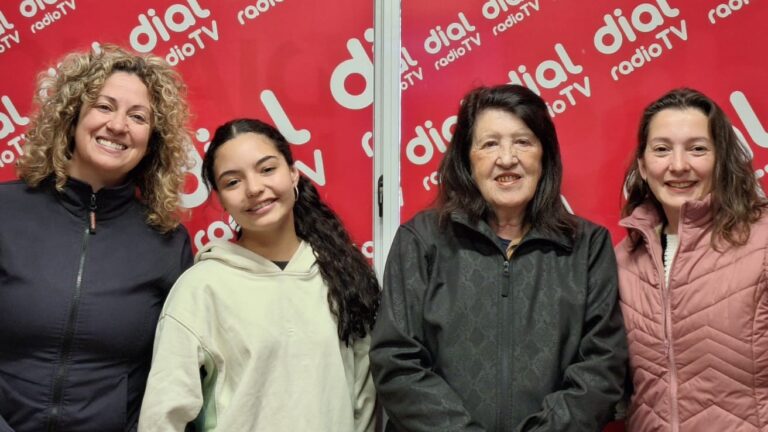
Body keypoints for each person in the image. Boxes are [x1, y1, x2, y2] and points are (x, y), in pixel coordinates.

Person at [370, 84, 627, 431]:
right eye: (490, 144)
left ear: (544, 155)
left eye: (523, 141)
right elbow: (396, 361)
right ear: (466, 159)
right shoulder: (421, 240)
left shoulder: (588, 247)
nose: (507, 159)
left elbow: (602, 367)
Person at [138, 118, 379, 431]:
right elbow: (162, 415)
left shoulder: (343, 277)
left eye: (267, 169)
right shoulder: (202, 288)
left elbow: (363, 399)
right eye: (232, 182)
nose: (254, 188)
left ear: (293, 174)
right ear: (221, 200)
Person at [0, 44, 193, 431]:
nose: (119, 125)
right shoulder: (5, 210)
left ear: (152, 140)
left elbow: (173, 377)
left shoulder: (168, 243)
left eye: (137, 116)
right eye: (104, 106)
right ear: (72, 116)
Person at [616, 88, 768, 431]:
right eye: (662, 149)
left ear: (721, 158)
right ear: (642, 164)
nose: (679, 165)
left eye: (698, 149)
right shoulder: (621, 261)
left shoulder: (763, 239)